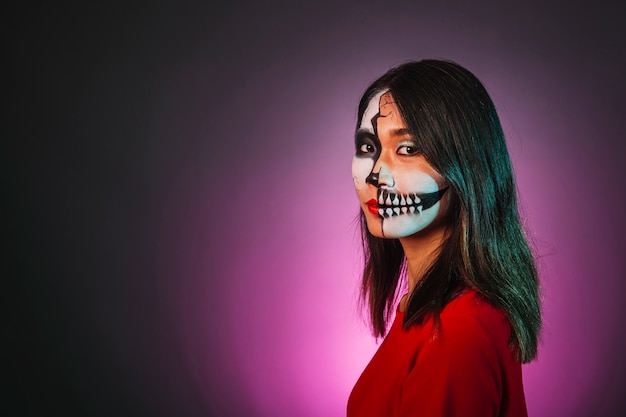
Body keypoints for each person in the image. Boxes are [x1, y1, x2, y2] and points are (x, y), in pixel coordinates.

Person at [347, 59, 541, 417]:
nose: (376, 175)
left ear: (465, 167)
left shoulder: (454, 332)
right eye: (368, 148)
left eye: (407, 149)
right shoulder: (430, 307)